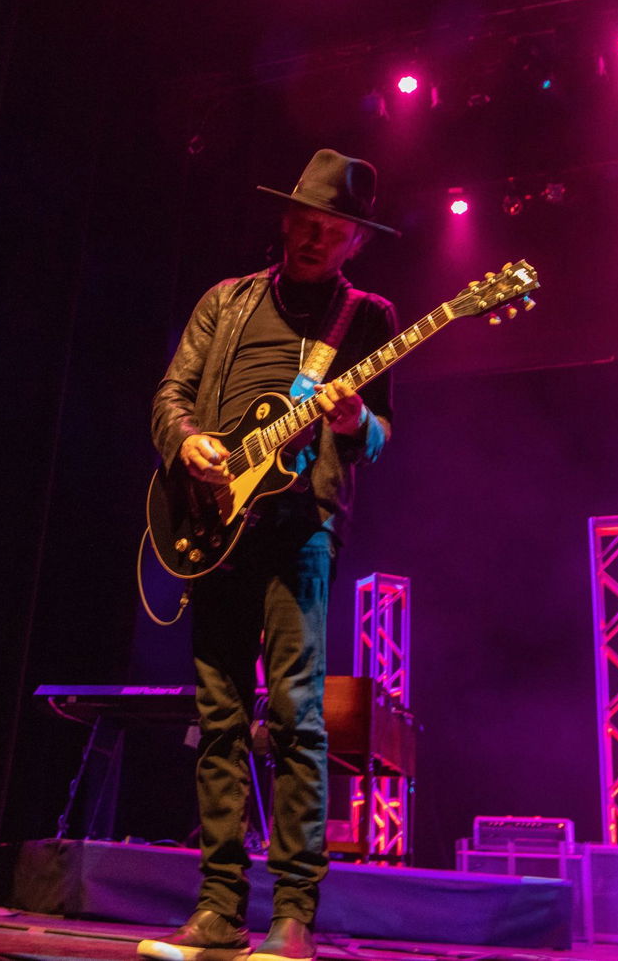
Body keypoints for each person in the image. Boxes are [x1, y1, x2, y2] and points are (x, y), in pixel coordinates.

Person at [140, 149, 399, 961]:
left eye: (334, 230)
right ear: (285, 221)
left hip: (303, 526)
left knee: (294, 713)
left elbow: (381, 437)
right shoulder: (225, 301)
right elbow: (171, 395)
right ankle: (218, 909)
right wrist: (187, 444)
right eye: (307, 223)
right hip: (216, 525)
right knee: (218, 714)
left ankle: (292, 917)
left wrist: (356, 422)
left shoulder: (367, 318)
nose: (317, 239)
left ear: (357, 242)